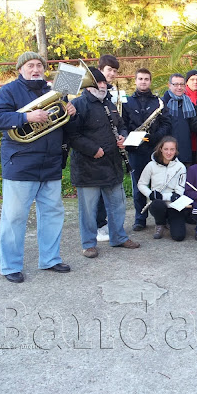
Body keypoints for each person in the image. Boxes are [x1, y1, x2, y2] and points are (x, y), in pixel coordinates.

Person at [0, 51, 74, 283]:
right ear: (20, 69)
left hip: (51, 163)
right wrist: (25, 118)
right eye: (30, 65)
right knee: (14, 217)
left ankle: (50, 259)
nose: (35, 69)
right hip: (21, 164)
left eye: (39, 65)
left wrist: (70, 111)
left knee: (53, 214)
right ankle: (10, 266)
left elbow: (61, 120)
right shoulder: (9, 90)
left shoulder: (53, 90)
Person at [66, 67, 140, 258]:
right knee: (88, 210)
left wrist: (123, 137)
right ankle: (88, 244)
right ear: (89, 86)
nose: (103, 86)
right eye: (98, 83)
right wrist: (93, 150)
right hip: (88, 166)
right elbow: (71, 136)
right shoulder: (78, 104)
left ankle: (118, 237)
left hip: (112, 163)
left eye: (104, 83)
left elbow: (121, 126)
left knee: (117, 205)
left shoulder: (110, 104)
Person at [122, 68, 172, 231]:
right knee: (139, 185)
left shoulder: (158, 102)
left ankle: (160, 219)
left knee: (158, 184)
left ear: (150, 81)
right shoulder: (126, 102)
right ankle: (140, 218)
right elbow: (122, 124)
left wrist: (155, 137)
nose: (143, 81)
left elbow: (166, 124)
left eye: (146, 79)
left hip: (154, 148)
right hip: (136, 150)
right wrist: (131, 137)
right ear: (135, 81)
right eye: (140, 79)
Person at [137, 136, 188, 241]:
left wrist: (163, 196)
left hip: (173, 204)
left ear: (176, 150)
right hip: (158, 202)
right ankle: (160, 223)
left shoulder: (181, 167)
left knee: (179, 236)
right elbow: (141, 184)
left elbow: (179, 192)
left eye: (172, 149)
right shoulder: (151, 165)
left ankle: (170, 220)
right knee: (157, 204)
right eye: (166, 149)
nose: (169, 152)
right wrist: (150, 194)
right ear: (160, 149)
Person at [95, 54, 121, 242]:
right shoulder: (91, 90)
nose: (111, 74)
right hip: (96, 150)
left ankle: (106, 225)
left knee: (110, 190)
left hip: (112, 150)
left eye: (114, 71)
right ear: (100, 69)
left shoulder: (112, 93)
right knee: (96, 192)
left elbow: (119, 121)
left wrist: (122, 135)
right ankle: (98, 226)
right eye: (109, 70)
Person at [161, 73, 196, 168]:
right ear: (169, 85)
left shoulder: (189, 104)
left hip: (185, 153)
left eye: (182, 84)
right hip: (167, 154)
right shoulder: (161, 104)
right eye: (176, 84)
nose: (179, 87)